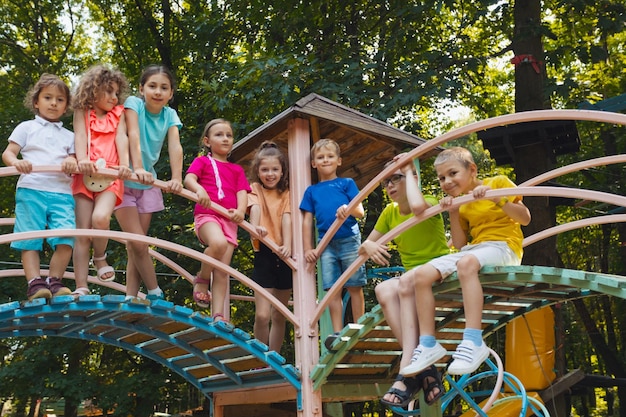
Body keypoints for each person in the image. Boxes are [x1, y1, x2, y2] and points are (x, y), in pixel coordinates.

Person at [400, 146, 531, 377]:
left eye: (452, 173)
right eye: (441, 178)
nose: (447, 181)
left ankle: (473, 340)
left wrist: (497, 199)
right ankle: (428, 344)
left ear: (472, 169)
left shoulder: (498, 182)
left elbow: (525, 218)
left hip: (504, 246)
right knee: (421, 276)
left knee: (466, 264)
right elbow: (460, 245)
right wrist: (453, 212)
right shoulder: (461, 201)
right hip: (475, 249)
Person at [358, 157, 450, 407]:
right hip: (412, 279)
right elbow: (365, 248)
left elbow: (418, 208)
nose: (388, 185)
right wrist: (367, 244)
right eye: (385, 181)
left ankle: (407, 371)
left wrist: (410, 173)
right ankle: (425, 370)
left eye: (395, 178)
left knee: (406, 280)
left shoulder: (429, 202)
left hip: (439, 272)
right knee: (383, 289)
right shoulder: (389, 213)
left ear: (413, 179)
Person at [2, 74, 77, 300]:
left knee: (66, 237)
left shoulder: (70, 135)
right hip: (31, 189)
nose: (53, 103)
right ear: (36, 102)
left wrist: (72, 162)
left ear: (66, 106)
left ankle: (54, 280)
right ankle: (35, 283)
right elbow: (8, 153)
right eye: (47, 97)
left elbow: (74, 159)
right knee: (29, 237)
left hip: (62, 193)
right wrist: (16, 163)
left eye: (60, 99)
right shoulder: (26, 127)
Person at [114, 65, 183, 301]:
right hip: (125, 180)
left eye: (164, 88)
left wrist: (176, 177)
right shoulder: (134, 104)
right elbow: (131, 133)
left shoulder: (169, 115)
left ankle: (130, 296)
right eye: (152, 86)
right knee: (139, 243)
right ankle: (155, 292)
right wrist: (139, 167)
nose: (158, 92)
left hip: (148, 183)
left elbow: (175, 145)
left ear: (171, 93)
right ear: (142, 88)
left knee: (136, 245)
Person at [71, 65, 135, 296]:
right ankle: (81, 285)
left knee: (100, 218)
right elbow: (80, 135)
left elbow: (122, 139)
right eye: (108, 91)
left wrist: (125, 165)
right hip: (85, 174)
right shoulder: (82, 111)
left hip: (111, 175)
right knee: (82, 232)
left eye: (116, 92)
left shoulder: (118, 113)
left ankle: (100, 257)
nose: (113, 97)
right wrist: (82, 159)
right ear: (93, 90)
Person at [299, 138, 366, 350]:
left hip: (348, 238)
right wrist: (308, 248)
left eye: (329, 156)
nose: (325, 160)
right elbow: (307, 220)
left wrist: (347, 208)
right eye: (320, 157)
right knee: (332, 290)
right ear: (313, 163)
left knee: (354, 285)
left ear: (339, 161)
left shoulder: (346, 183)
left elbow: (360, 212)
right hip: (325, 243)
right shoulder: (312, 191)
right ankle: (338, 332)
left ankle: (359, 327)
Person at [184, 119, 250, 321]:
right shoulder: (203, 162)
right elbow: (188, 179)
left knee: (222, 272)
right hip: (208, 215)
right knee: (218, 243)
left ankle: (219, 315)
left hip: (229, 221)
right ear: (207, 141)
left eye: (228, 135)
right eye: (219, 135)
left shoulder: (236, 169)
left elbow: (242, 192)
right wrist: (199, 190)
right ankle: (202, 278)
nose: (225, 138)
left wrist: (240, 210)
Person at [247, 141, 292, 353]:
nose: (270, 174)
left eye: (275, 169)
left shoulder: (287, 192)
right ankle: (260, 358)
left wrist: (288, 245)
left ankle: (274, 358)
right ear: (258, 171)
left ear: (282, 171)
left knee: (278, 314)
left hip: (283, 255)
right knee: (262, 315)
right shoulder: (255, 188)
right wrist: (256, 229)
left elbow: (287, 217)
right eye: (265, 169)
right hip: (263, 252)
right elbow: (254, 207)